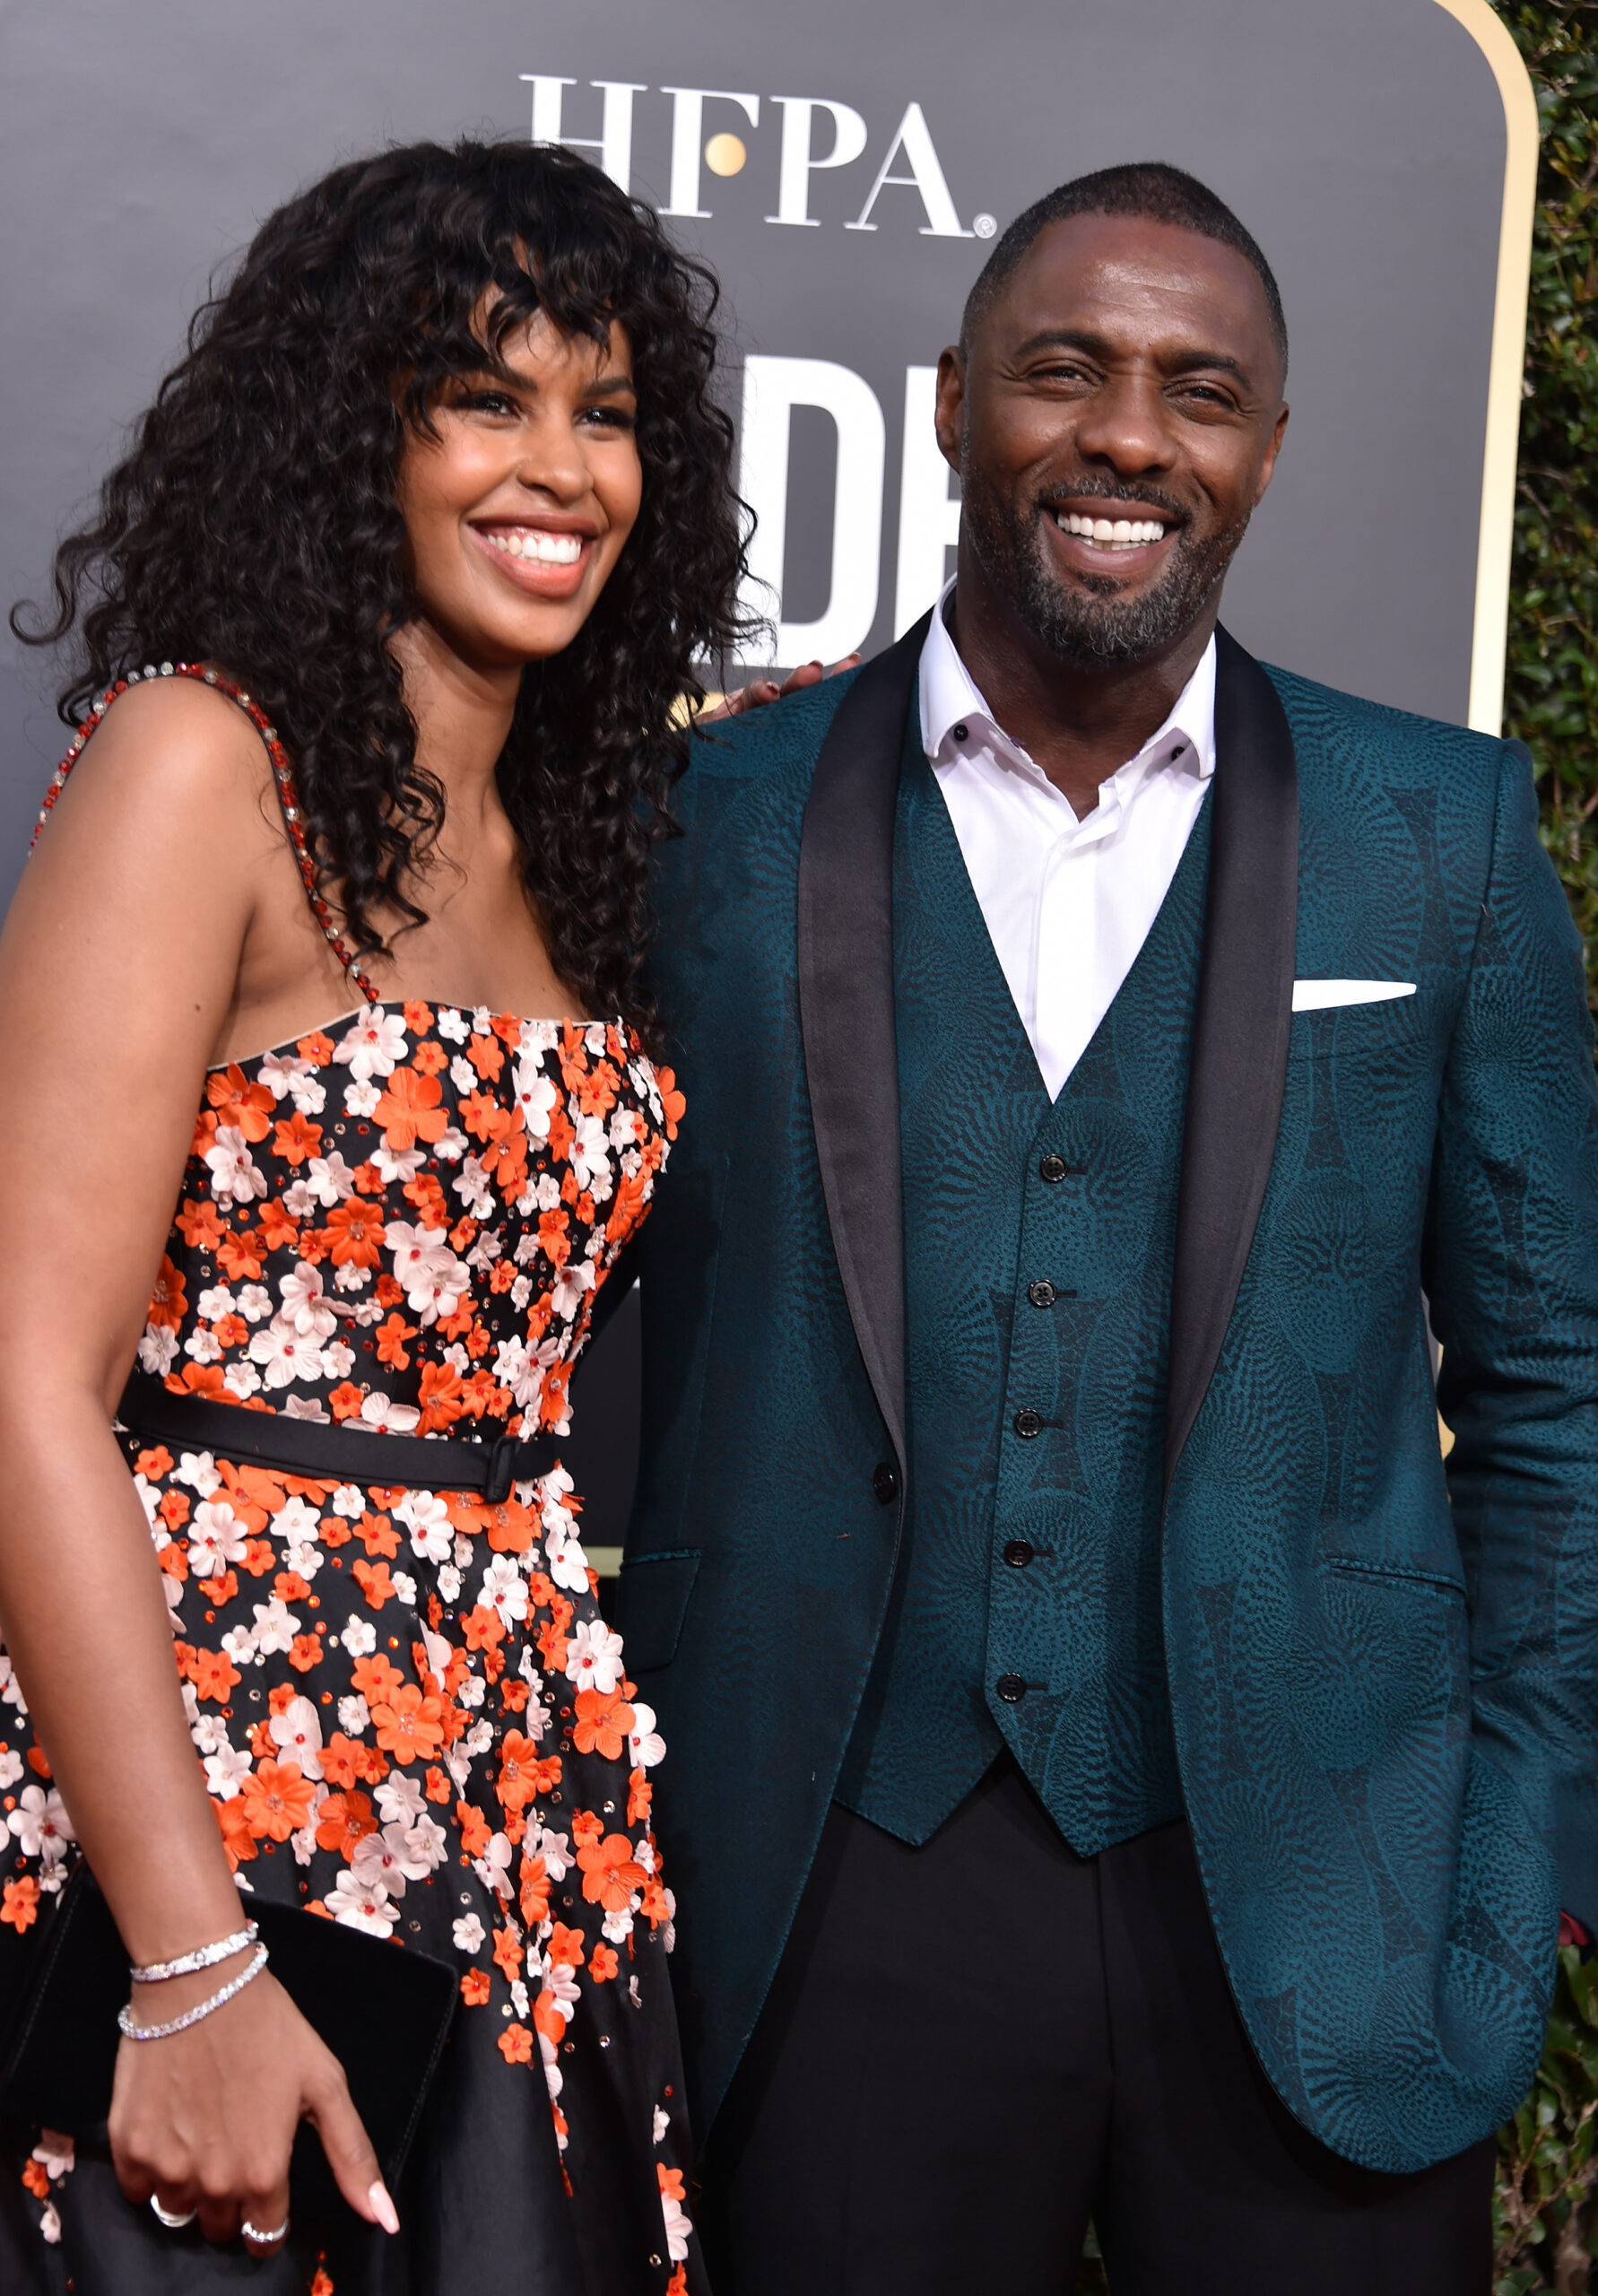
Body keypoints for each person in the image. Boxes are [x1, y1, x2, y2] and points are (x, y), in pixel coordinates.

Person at [605, 162, 1598, 2293]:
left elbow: (1557, 1392)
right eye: (1067, 370)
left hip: (1330, 1891)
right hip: (830, 1868)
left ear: (1266, 448)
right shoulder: (701, 819)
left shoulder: (1446, 838)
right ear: (954, 399)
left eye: (1200, 390)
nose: (1131, 434)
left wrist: (1512, 1865)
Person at [0, 137, 747, 2294]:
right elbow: (24, 1376)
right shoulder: (204, 761)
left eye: (607, 413)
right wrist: (191, 1959)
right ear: (354, 435)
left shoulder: (574, 821)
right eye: (485, 397)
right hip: (195, 1770)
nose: (560, 468)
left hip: (514, 1788)